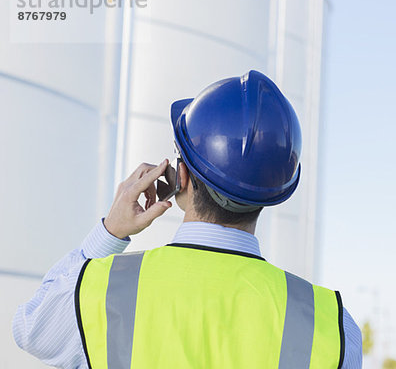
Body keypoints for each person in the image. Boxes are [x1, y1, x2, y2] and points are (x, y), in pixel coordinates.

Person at [13, 70, 362, 368]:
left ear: (181, 175)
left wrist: (110, 232)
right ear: (275, 192)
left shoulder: (99, 290)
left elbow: (30, 327)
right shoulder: (330, 322)